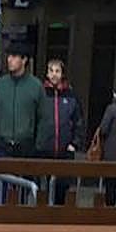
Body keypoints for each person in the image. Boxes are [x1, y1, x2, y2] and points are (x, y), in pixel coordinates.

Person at [0, 40, 43, 203]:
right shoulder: (0, 85)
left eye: (14, 56)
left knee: (22, 192)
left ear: (24, 60)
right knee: (0, 190)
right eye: (8, 56)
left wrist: (37, 145)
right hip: (2, 145)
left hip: (26, 146)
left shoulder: (36, 86)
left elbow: (42, 118)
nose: (9, 60)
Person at [36, 58, 85, 205]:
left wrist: (75, 143)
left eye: (57, 71)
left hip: (64, 151)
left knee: (61, 190)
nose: (54, 74)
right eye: (51, 71)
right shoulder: (40, 94)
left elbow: (79, 122)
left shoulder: (71, 96)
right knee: (42, 191)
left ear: (62, 73)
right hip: (44, 149)